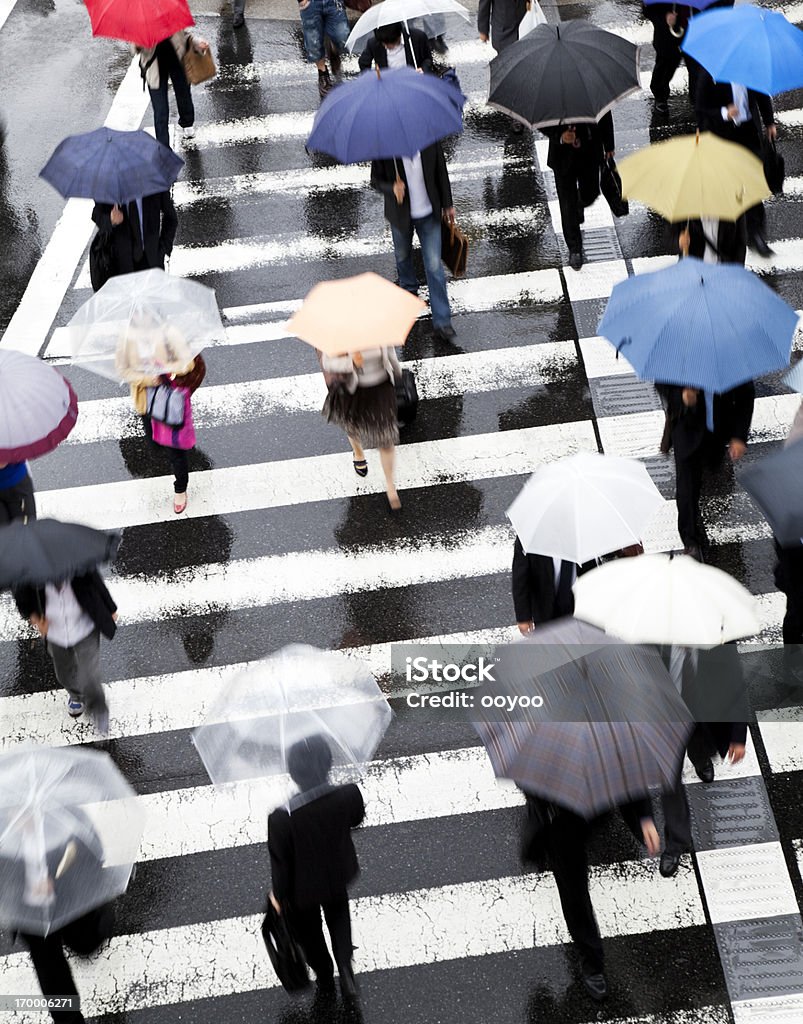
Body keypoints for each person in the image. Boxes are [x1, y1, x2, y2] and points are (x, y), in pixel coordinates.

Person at [521, 790, 659, 1001]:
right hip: (558, 817)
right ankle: (591, 960)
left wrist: (644, 816)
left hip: (592, 807)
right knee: (573, 889)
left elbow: (628, 768)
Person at [268, 736, 365, 1005]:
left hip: (301, 891)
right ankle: (345, 969)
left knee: (310, 932)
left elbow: (281, 863)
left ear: (293, 772)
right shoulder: (348, 794)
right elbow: (356, 818)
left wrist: (278, 896)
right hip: (337, 874)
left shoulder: (281, 817)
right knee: (338, 916)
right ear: (328, 763)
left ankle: (324, 974)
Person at [657, 644, 748, 877]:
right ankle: (676, 843)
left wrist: (738, 737)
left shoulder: (718, 640)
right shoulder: (649, 639)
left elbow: (736, 685)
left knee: (700, 735)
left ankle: (700, 756)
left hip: (701, 709)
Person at [656, 382, 754, 561]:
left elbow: (745, 395)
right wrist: (683, 398)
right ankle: (690, 541)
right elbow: (662, 383)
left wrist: (739, 436)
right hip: (686, 425)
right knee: (686, 485)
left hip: (718, 428)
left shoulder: (729, 359)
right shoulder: (678, 357)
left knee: (711, 474)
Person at [371, 142, 457, 342]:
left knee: (434, 267)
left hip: (429, 214)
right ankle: (409, 294)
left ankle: (442, 321)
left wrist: (447, 204)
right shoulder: (385, 147)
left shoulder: (430, 140)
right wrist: (392, 187)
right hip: (401, 216)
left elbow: (440, 171)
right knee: (402, 257)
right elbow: (375, 181)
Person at [14, 570, 118, 731]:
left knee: (90, 674)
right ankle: (76, 695)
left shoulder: (77, 561)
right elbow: (21, 593)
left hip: (85, 626)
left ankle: (98, 708)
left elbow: (96, 581)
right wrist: (34, 616)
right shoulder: (31, 569)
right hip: (54, 631)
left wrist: (110, 608)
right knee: (63, 672)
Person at [695, 71, 777, 256]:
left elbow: (762, 93)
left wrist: (769, 122)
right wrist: (725, 113)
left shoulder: (749, 69)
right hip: (723, 134)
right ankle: (731, 235)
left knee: (753, 182)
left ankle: (756, 234)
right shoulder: (710, 74)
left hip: (748, 131)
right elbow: (700, 108)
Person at [321, 347, 403, 510]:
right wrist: (350, 362)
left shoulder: (378, 328)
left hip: (381, 390)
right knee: (353, 428)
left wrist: (398, 376)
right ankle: (358, 452)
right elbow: (327, 362)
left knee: (386, 440)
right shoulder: (341, 337)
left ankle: (390, 486)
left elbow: (391, 354)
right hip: (353, 391)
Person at [541, 113, 615, 270]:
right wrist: (560, 136)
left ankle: (579, 204)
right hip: (562, 156)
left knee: (591, 192)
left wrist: (609, 145)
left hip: (590, 151)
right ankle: (574, 248)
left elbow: (605, 114)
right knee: (567, 204)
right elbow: (542, 121)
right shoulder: (550, 93)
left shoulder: (593, 88)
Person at [136, 30, 210, 148]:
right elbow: (134, 47)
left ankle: (187, 122)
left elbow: (184, 35)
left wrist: (197, 43)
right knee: (160, 110)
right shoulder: (140, 23)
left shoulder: (168, 16)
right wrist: (138, 45)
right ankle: (164, 149)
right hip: (154, 67)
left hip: (176, 59)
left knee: (183, 92)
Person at [150, 359, 204, 514]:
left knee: (175, 451)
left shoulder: (176, 341)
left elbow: (190, 366)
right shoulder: (137, 342)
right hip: (149, 398)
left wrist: (169, 375)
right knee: (154, 441)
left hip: (173, 403)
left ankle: (180, 489)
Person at [90, 192, 178, 286]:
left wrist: (163, 250)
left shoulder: (155, 182)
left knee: (151, 299)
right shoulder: (109, 185)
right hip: (119, 265)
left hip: (151, 261)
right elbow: (96, 214)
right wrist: (110, 219)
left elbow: (171, 218)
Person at [511, 539, 595, 633]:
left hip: (576, 605)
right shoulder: (530, 537)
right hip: (544, 607)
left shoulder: (581, 536)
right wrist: (523, 617)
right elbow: (520, 579)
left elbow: (592, 572)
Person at [478, 0, 527, 132]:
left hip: (524, 26)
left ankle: (519, 108)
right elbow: (484, 3)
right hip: (503, 31)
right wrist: (483, 29)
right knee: (511, 72)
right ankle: (515, 113)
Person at [643, 4, 693, 116]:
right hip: (668, 37)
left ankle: (699, 102)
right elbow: (647, 9)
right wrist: (664, 19)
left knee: (698, 72)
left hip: (696, 32)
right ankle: (660, 98)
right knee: (664, 69)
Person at [297, 0, 350, 99]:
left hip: (335, 2)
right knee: (313, 42)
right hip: (310, 3)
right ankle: (322, 73)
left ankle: (333, 50)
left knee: (342, 36)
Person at [358, 22, 433, 73]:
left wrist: (423, 69)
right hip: (388, 82)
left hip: (413, 79)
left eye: (390, 43)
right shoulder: (373, 43)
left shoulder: (417, 37)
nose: (386, 46)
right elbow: (363, 63)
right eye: (384, 43)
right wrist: (374, 76)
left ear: (399, 35)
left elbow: (427, 59)